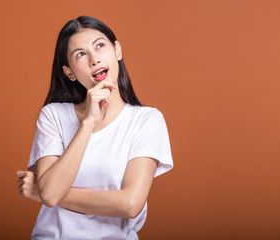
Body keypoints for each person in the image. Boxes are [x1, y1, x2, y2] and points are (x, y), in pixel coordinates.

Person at [16, 16, 173, 240]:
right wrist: (88, 123)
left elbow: (130, 204)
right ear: (69, 72)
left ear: (117, 50)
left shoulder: (146, 120)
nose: (94, 59)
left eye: (100, 45)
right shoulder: (53, 115)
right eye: (80, 54)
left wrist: (43, 192)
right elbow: (50, 193)